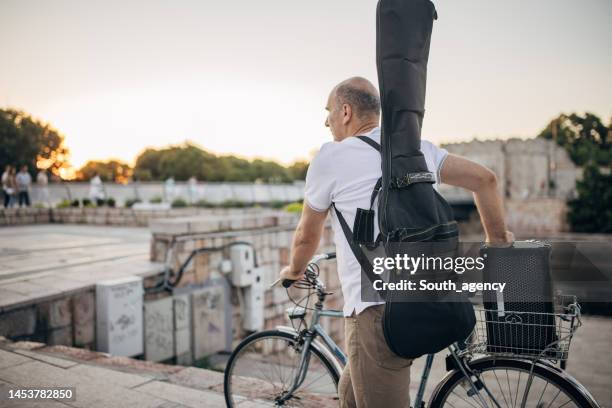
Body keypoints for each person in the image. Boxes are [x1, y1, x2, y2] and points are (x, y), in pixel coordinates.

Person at [278, 77, 513, 408]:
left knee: (370, 368)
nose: (326, 121)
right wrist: (499, 242)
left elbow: (306, 234)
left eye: (328, 111)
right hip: (432, 294)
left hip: (377, 310)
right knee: (352, 393)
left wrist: (294, 269)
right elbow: (486, 180)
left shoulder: (331, 158)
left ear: (345, 111)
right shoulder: (417, 148)